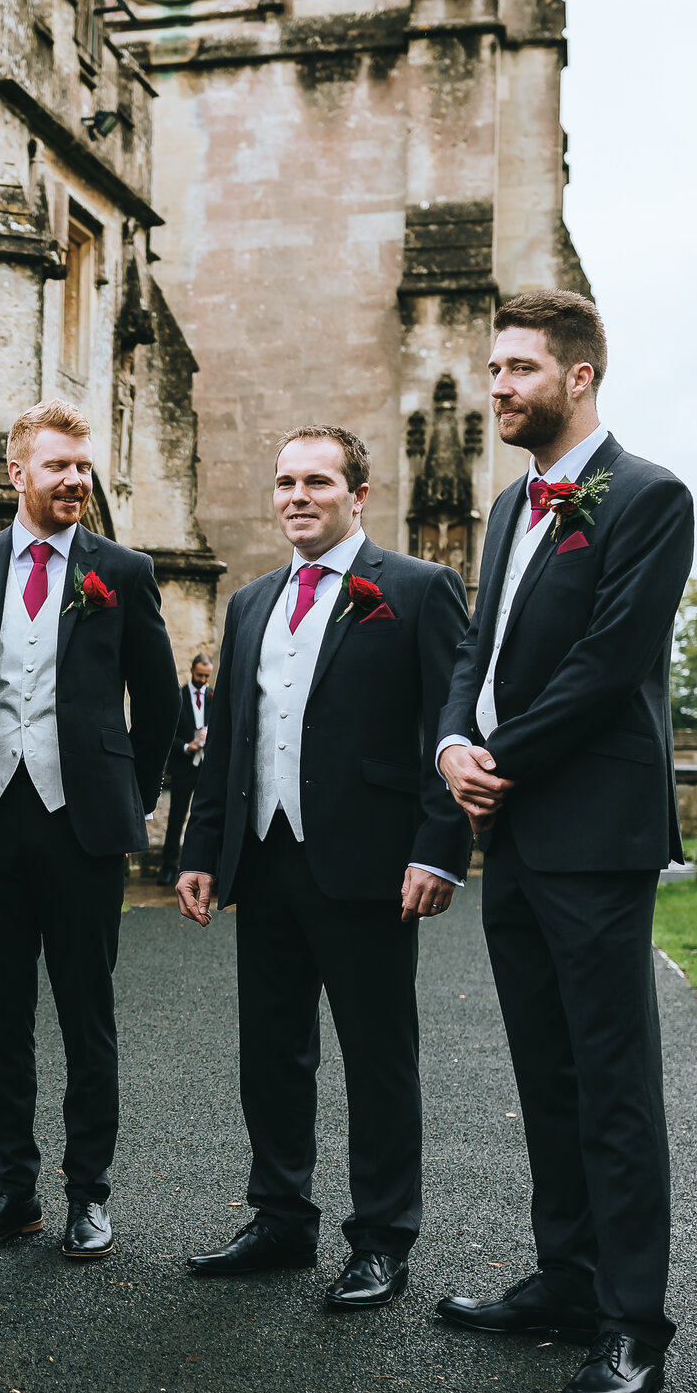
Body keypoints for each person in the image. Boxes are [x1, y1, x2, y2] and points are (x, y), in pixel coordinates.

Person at [431, 291, 695, 1393]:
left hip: (592, 828)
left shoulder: (647, 496)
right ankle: (565, 1278)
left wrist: (496, 754)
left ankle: (633, 1320)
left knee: (612, 1080)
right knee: (545, 1065)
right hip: (515, 828)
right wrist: (451, 739)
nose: (497, 386)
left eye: (518, 369)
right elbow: (477, 646)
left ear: (577, 377)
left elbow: (607, 662)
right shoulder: (506, 508)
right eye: (492, 367)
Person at [174, 426, 470, 1303]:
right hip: (263, 862)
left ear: (358, 495)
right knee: (271, 1051)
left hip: (369, 863)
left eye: (316, 481)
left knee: (378, 1055)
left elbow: (451, 727)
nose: (297, 496)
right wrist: (202, 850)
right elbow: (230, 736)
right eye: (284, 483)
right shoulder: (252, 603)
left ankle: (381, 1236)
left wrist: (439, 848)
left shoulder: (416, 590)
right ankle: (279, 1218)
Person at [0, 400, 176, 1262]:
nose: (76, 480)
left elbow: (156, 707)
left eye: (84, 467)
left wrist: (126, 800)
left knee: (87, 1015)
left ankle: (88, 1195)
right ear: (18, 472)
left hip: (82, 831)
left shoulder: (125, 570)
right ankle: (14, 1190)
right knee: (1, 1014)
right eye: (58, 466)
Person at [156, 653, 212, 885]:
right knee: (177, 819)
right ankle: (169, 868)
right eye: (200, 675)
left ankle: (207, 869)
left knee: (206, 819)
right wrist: (187, 745)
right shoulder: (177, 697)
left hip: (206, 768)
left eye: (207, 676)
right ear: (191, 671)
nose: (203, 679)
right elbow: (167, 733)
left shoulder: (214, 696)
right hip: (183, 766)